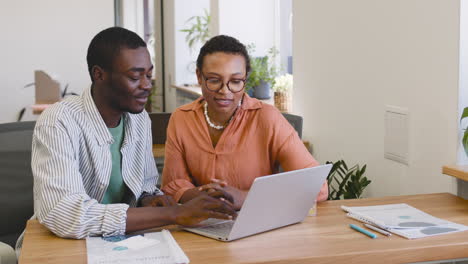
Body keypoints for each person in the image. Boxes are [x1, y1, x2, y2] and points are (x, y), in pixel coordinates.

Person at [27, 27, 236, 240]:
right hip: (60, 245)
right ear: (99, 75)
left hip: (121, 242)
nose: (146, 85)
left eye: (149, 74)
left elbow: (144, 183)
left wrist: (147, 198)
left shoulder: (139, 119)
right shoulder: (59, 122)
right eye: (135, 76)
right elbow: (66, 215)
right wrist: (174, 213)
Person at [161, 35, 328, 210]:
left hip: (258, 223)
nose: (225, 91)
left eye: (235, 81)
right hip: (201, 223)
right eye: (214, 80)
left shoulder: (267, 117)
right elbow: (173, 185)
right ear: (199, 77)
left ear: (245, 79)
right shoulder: (181, 118)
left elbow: (318, 187)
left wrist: (245, 197)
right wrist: (205, 195)